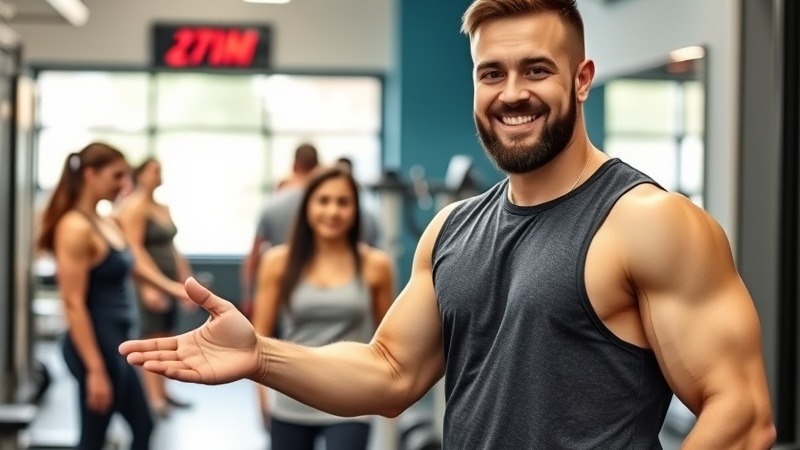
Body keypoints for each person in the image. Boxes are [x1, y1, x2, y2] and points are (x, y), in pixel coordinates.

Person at [120, 1, 777, 448]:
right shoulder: (453, 228)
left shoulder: (650, 221)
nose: (511, 93)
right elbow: (389, 372)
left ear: (582, 80)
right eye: (492, 73)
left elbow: (742, 416)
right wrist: (260, 356)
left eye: (537, 70)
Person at [38, 142, 188, 450]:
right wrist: (95, 369)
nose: (124, 184)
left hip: (118, 341)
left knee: (144, 426)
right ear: (90, 174)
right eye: (116, 176)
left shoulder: (106, 221)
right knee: (93, 439)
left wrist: (174, 288)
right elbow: (73, 304)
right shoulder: (74, 227)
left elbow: (133, 263)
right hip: (95, 345)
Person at [252, 166, 394, 449]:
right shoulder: (277, 262)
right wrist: (262, 397)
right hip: (291, 396)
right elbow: (259, 336)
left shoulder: (376, 265)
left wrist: (387, 393)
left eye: (343, 202)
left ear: (355, 209)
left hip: (352, 398)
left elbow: (389, 341)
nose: (332, 211)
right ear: (308, 206)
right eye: (323, 201)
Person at [116, 157, 194, 417]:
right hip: (150, 284)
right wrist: (149, 288)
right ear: (139, 175)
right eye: (153, 171)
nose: (158, 175)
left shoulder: (162, 207)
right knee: (152, 340)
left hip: (169, 282)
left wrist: (184, 280)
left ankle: (164, 392)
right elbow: (135, 249)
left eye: (160, 170)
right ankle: (154, 398)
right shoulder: (135, 206)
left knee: (168, 338)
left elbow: (173, 247)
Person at [240, 143, 320, 316]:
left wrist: (249, 297)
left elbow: (253, 257)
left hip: (278, 288)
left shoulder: (271, 206)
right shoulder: (331, 209)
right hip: (320, 288)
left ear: (294, 166)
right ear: (317, 166)